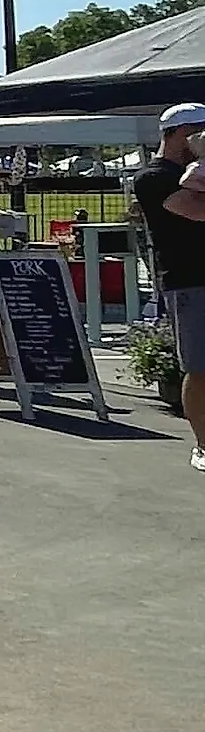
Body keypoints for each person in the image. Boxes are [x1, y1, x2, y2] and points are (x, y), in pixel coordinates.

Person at [132, 104, 205, 468]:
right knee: (200, 365)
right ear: (179, 134)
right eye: (199, 132)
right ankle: (203, 444)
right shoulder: (153, 176)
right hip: (190, 279)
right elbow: (194, 210)